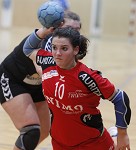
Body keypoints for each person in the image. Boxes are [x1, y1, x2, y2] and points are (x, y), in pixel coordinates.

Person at [23, 27, 131, 150]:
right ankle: (113, 134)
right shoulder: (48, 61)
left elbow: (120, 98)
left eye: (64, 48)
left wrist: (123, 134)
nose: (57, 53)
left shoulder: (86, 77)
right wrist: (43, 30)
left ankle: (114, 135)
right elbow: (27, 49)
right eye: (54, 47)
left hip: (92, 142)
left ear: (75, 50)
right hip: (60, 142)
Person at [0, 11, 81, 150]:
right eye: (69, 28)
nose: (73, 33)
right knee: (31, 130)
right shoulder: (40, 41)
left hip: (37, 85)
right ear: (58, 28)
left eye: (77, 30)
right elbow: (44, 71)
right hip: (12, 79)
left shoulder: (71, 49)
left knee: (43, 131)